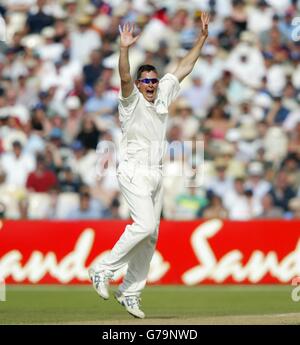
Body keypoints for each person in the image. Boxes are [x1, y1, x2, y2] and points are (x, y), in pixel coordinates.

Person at [88, 14, 210, 319]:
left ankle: (130, 291)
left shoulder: (164, 93)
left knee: (151, 234)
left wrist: (202, 39)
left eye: (154, 81)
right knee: (142, 226)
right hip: (132, 170)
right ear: (140, 85)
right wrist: (124, 49)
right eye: (148, 82)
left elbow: (183, 67)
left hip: (155, 173)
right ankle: (102, 269)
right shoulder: (130, 101)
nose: (152, 85)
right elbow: (125, 77)